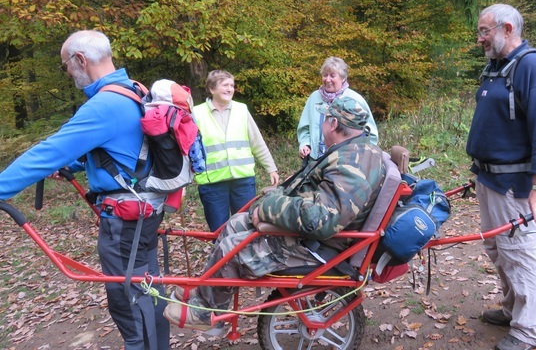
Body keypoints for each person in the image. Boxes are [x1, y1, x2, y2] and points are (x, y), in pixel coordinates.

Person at [0, 30, 170, 350]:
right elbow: (125, 149)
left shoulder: (104, 105)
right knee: (148, 290)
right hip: (146, 210)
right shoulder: (132, 90)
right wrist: (77, 165)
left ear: (80, 59)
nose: (67, 72)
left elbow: (49, 151)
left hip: (124, 222)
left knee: (129, 302)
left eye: (66, 65)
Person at [163, 96, 386, 334]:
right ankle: (208, 294)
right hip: (314, 237)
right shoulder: (354, 151)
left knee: (233, 247)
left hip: (319, 248)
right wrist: (276, 200)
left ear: (332, 123)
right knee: (236, 223)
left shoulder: (353, 163)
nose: (321, 125)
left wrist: (270, 208)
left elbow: (322, 219)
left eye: (324, 120)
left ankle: (207, 312)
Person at [466, 4, 536, 350]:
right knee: (499, 250)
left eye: (484, 31)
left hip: (514, 185)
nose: (480, 39)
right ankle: (512, 309)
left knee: (520, 253)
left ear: (508, 28)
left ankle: (529, 332)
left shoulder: (532, 67)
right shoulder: (498, 67)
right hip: (490, 179)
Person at [192, 70, 279, 231]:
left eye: (232, 85)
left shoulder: (241, 110)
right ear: (212, 89)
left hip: (243, 181)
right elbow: (189, 148)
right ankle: (224, 257)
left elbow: (257, 142)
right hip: (212, 183)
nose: (230, 89)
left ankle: (244, 257)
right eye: (225, 85)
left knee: (246, 228)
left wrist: (271, 168)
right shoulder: (197, 113)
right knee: (219, 231)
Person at [297, 56, 378, 162]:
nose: (327, 79)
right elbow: (304, 128)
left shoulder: (354, 100)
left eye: (332, 75)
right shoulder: (314, 98)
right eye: (325, 75)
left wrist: (359, 158)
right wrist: (305, 144)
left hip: (344, 162)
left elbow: (370, 135)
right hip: (315, 160)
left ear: (343, 78)